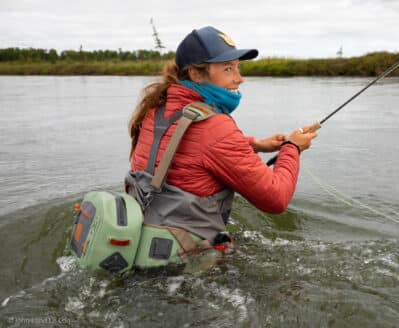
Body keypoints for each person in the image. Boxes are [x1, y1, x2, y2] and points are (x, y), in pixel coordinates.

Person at [127, 26, 317, 256]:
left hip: (144, 240)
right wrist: (292, 148)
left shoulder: (157, 109)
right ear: (196, 74)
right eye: (228, 69)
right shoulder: (216, 127)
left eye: (238, 67)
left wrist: (255, 144)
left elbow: (188, 149)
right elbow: (275, 199)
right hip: (186, 262)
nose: (240, 79)